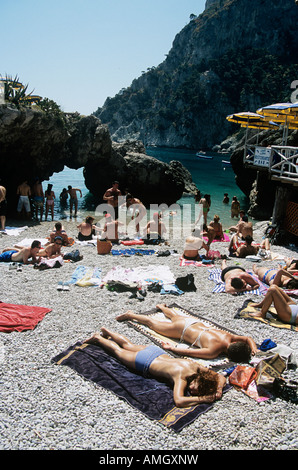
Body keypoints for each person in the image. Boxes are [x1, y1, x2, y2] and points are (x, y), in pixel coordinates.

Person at [84, 326, 227, 408]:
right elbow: (179, 401)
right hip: (145, 361)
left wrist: (218, 389)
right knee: (118, 351)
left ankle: (107, 331)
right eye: (196, 391)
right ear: (199, 382)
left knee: (129, 345)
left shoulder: (196, 367)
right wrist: (204, 399)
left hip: (156, 352)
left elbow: (220, 376)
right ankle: (98, 338)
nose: (192, 392)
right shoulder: (182, 378)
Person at [117, 304, 257, 362]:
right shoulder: (214, 351)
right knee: (152, 324)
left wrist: (254, 347)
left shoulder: (229, 336)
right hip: (182, 331)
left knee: (173, 316)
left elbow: (247, 338)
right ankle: (131, 315)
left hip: (192, 323)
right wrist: (171, 348)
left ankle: (162, 307)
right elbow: (189, 353)